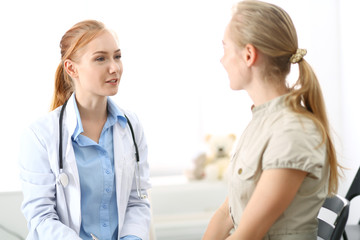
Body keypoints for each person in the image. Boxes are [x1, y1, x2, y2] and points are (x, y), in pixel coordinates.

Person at [202, 1, 341, 239]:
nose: (221, 60)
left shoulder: (294, 132)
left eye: (225, 48)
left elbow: (249, 234)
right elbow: (227, 213)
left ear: (248, 55)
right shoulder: (262, 121)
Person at [18, 20, 151, 240]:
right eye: (100, 58)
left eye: (117, 56)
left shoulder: (131, 126)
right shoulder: (39, 136)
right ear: (71, 68)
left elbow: (138, 199)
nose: (114, 67)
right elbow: (40, 216)